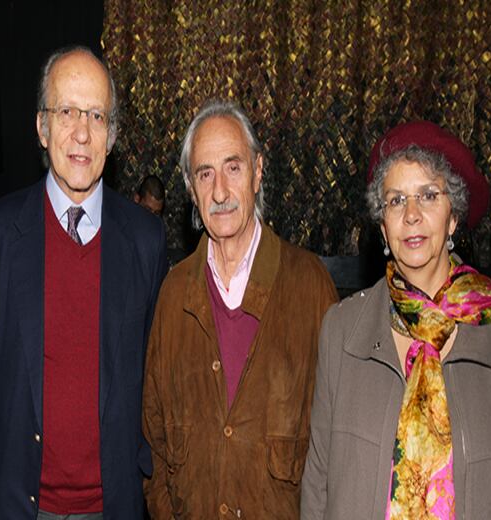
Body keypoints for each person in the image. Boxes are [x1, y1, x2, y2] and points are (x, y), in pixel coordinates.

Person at [301, 120, 491, 519]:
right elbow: (318, 484)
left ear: (453, 218)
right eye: (396, 200)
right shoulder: (342, 330)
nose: (412, 215)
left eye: (428, 196)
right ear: (383, 226)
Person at [0, 46, 167, 519]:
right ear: (42, 127)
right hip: (18, 503)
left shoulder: (146, 238)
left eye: (97, 116)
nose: (81, 132)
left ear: (112, 135)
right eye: (66, 112)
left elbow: (151, 367)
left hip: (113, 504)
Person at [142, 100, 338, 518]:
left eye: (233, 167)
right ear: (191, 189)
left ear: (258, 172)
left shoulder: (309, 285)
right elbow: (154, 438)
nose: (219, 192)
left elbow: (338, 439)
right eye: (204, 173)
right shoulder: (174, 294)